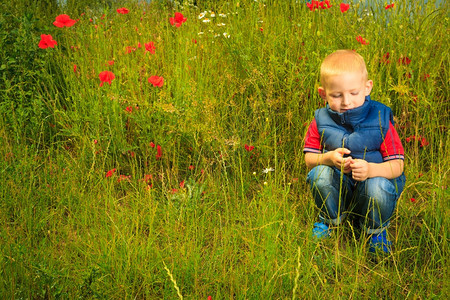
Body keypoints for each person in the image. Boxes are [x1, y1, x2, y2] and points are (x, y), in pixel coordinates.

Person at [303, 50, 406, 254]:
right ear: (323, 93)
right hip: (341, 187)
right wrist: (329, 158)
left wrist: (371, 170)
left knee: (377, 185)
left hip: (372, 185)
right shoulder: (320, 120)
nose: (346, 102)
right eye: (336, 95)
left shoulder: (381, 119)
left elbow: (398, 166)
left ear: (367, 88)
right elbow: (309, 159)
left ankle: (375, 231)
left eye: (353, 93)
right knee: (319, 174)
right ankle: (331, 220)